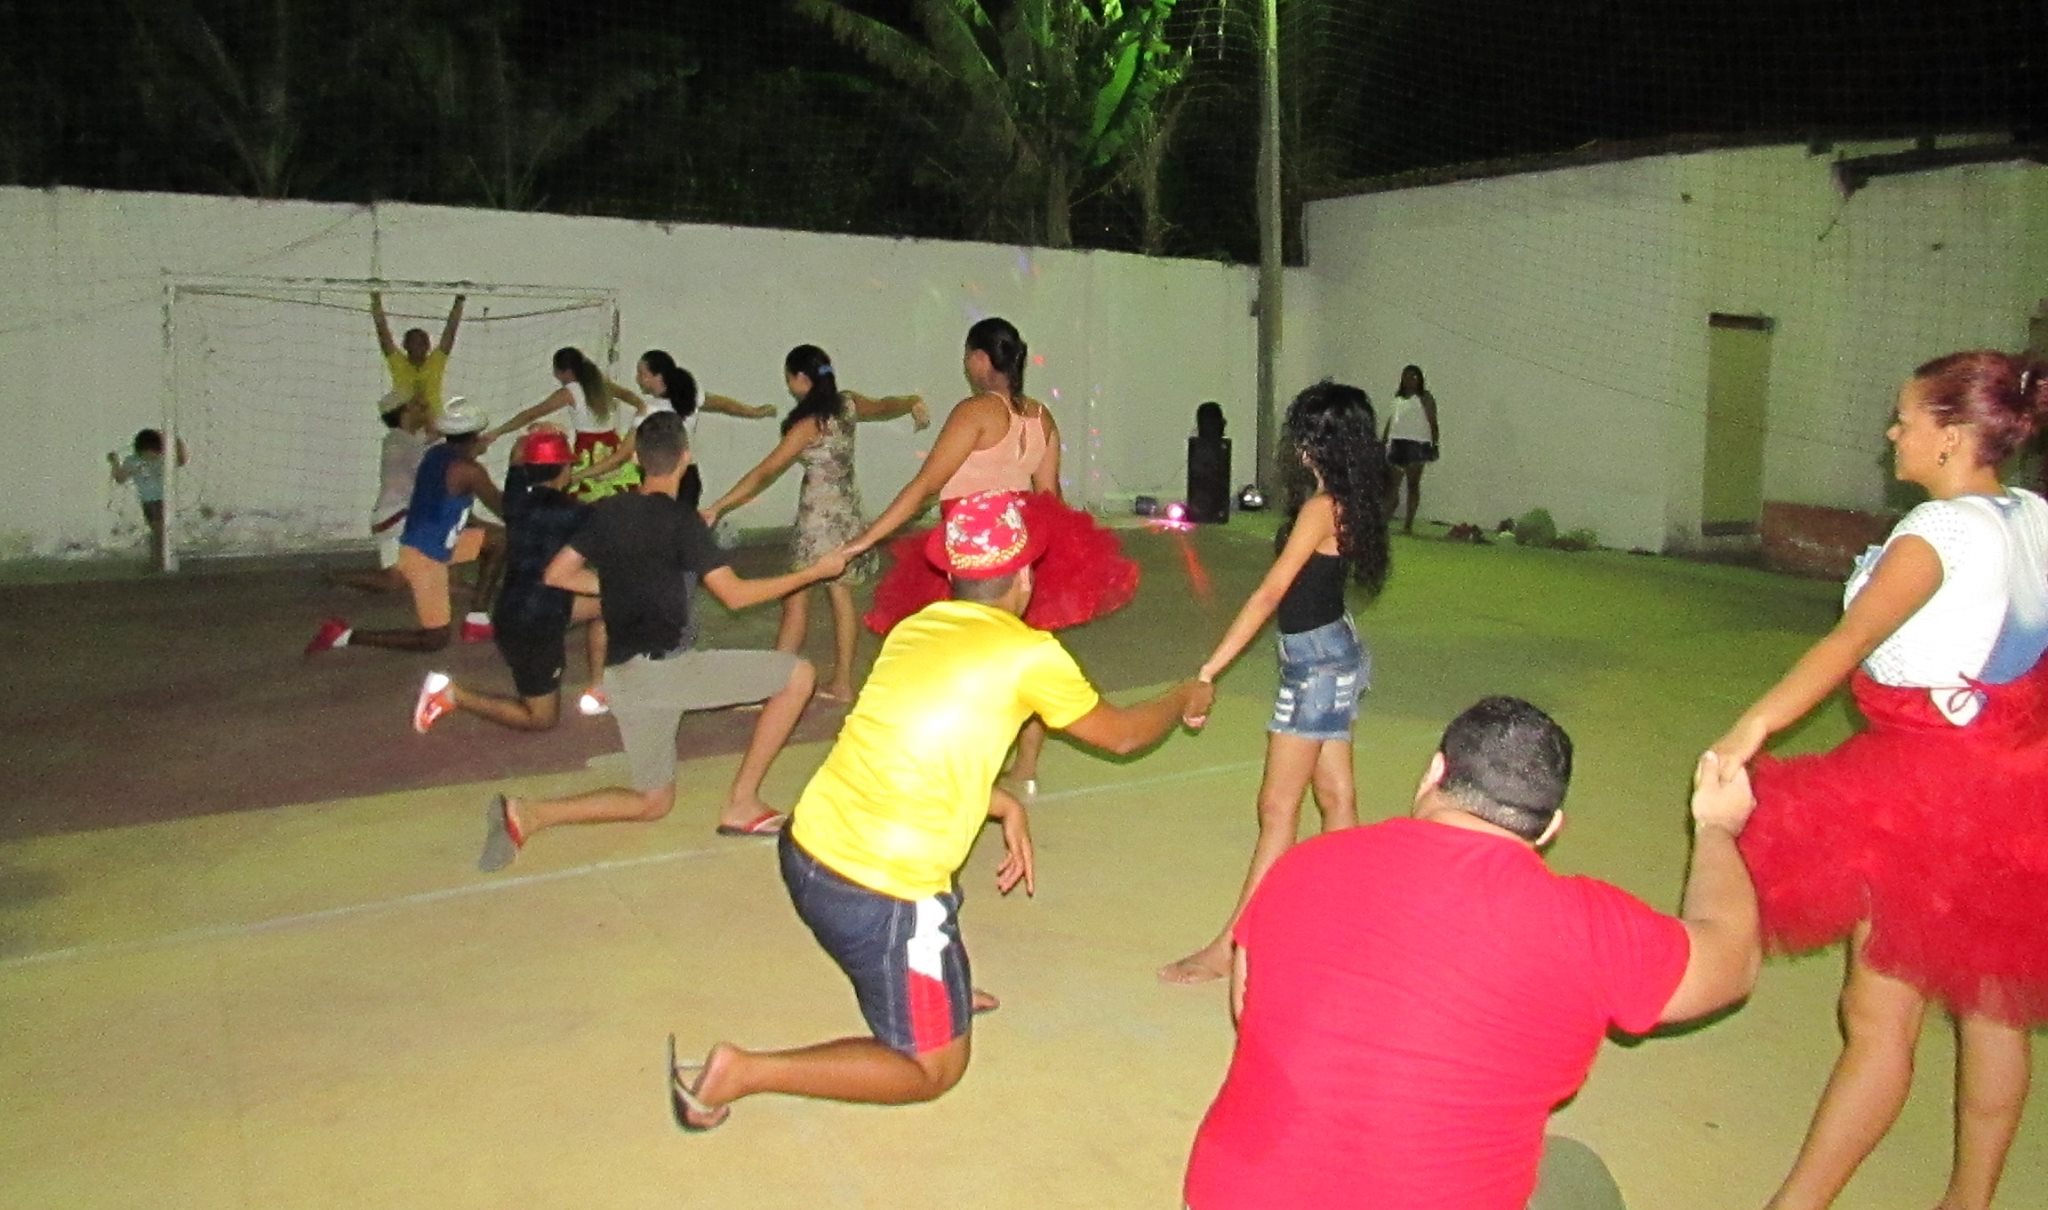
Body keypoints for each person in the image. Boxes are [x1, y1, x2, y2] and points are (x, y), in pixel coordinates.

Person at [665, 490, 1214, 1132]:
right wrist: (1183, 696)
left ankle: (935, 989)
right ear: (1025, 575)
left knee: (937, 891)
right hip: (877, 892)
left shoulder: (917, 628)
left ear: (952, 575)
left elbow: (919, 746)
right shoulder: (1029, 654)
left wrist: (1000, 801)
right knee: (934, 1070)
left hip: (807, 843)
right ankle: (743, 1071)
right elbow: (1121, 735)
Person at [1185, 696, 1764, 1210]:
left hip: (1226, 1197)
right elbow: (1732, 961)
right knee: (1577, 1176)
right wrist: (1716, 828)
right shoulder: (1587, 926)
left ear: (1434, 773)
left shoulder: (1304, 864)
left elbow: (1246, 1006)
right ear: (1550, 828)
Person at [1708, 350, 2048, 1210]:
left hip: (1927, 789)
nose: (1893, 433)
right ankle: (1970, 1201)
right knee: (1994, 1006)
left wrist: (1753, 727)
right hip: (2012, 782)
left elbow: (1849, 641)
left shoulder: (1939, 532)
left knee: (1878, 1019)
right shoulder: (2033, 516)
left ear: (1952, 436)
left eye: (1907, 419)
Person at [473, 411, 846, 870]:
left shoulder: (609, 512)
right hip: (670, 672)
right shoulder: (683, 522)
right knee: (798, 675)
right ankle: (742, 803)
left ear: (637, 460)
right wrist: (813, 573)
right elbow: (735, 595)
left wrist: (620, 585)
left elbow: (558, 574)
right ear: (685, 458)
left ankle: (526, 814)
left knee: (653, 802)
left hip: (625, 678)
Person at [844, 316, 1138, 793]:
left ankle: (951, 759)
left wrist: (864, 538)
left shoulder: (976, 411)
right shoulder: (1041, 416)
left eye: (968, 355)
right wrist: (1049, 561)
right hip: (1020, 551)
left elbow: (925, 486)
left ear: (981, 359)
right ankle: (1025, 767)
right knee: (1018, 657)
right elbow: (1049, 497)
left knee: (952, 657)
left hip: (970, 555)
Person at [1161, 381, 1391, 984]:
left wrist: (1210, 670)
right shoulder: (1348, 500)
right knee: (1336, 797)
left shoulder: (1321, 509)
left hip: (1316, 666)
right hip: (1335, 651)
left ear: (1317, 444)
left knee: (1276, 807)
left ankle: (1234, 947)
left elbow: (1269, 596)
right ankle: (1353, 935)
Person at [701, 344, 928, 701]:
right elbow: (886, 406)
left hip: (818, 522)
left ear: (802, 379)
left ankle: (778, 683)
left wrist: (720, 506)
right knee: (839, 595)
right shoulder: (848, 404)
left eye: (789, 379)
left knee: (796, 595)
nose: (789, 385)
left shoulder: (809, 425)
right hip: (848, 514)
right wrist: (912, 401)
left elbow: (764, 472)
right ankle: (841, 682)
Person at [411, 426, 606, 734]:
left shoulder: (515, 499)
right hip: (535, 623)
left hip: (515, 607)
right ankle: (451, 694)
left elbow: (516, 459)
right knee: (541, 719)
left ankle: (598, 689)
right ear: (566, 471)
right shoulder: (576, 514)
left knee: (609, 605)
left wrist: (533, 437)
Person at [305, 400, 505, 656]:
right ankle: (343, 635)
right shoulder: (469, 471)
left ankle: (477, 620)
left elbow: (452, 486)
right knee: (435, 639)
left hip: (431, 542)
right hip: (428, 556)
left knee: (500, 540)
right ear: (476, 434)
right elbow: (504, 508)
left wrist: (473, 451)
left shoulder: (437, 454)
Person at [572, 349, 785, 511]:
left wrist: (577, 476)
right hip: (688, 478)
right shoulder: (688, 395)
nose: (637, 378)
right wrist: (754, 412)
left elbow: (620, 457)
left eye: (641, 373)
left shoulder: (650, 410)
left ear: (657, 377)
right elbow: (722, 404)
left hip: (660, 480)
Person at [483, 347, 647, 501]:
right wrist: (640, 410)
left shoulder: (571, 391)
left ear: (565, 372)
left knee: (583, 493)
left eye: (556, 372)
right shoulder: (601, 384)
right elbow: (630, 396)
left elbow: (532, 414)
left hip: (588, 450)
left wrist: (499, 431)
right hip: (612, 446)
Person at [330, 390, 434, 595]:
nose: (423, 409)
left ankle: (342, 579)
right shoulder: (400, 442)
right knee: (398, 581)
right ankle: (340, 577)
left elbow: (430, 437)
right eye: (417, 406)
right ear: (405, 411)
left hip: (393, 516)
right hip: (398, 517)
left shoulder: (401, 439)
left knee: (400, 580)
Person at [372, 292, 463, 421]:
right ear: (405, 345)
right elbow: (383, 333)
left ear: (428, 345)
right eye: (415, 341)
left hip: (434, 422)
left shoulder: (435, 361)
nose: (420, 345)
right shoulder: (398, 363)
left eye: (424, 342)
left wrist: (459, 301)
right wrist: (375, 300)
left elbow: (450, 332)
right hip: (407, 423)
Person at [107, 428, 189, 571]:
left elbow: (182, 460)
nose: (151, 456)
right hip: (149, 501)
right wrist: (115, 462)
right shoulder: (133, 461)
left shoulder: (163, 458)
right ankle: (158, 559)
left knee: (161, 532)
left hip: (165, 500)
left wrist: (176, 440)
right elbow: (120, 478)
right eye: (147, 452)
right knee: (158, 532)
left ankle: (160, 559)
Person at [1382, 364, 1439, 536]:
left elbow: (1432, 421)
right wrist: (1384, 441)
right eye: (1407, 376)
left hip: (1417, 444)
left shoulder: (1425, 398)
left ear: (1419, 379)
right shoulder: (1398, 398)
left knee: (1412, 485)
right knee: (1393, 485)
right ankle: (1383, 522)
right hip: (1397, 443)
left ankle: (1408, 524)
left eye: (1414, 377)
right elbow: (1392, 420)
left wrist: (1435, 444)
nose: (1410, 380)